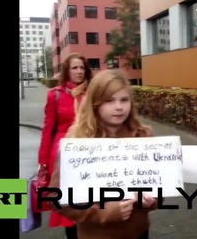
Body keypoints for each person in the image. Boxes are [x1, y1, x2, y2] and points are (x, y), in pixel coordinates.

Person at [47, 69, 157, 239]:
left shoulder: (143, 136)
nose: (119, 107)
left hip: (139, 233)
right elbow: (55, 198)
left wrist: (150, 201)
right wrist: (102, 213)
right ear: (95, 103)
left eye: (124, 100)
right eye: (109, 101)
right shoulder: (76, 143)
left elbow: (159, 185)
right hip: (96, 235)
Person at [37, 53, 93, 239]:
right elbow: (47, 129)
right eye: (74, 68)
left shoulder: (93, 93)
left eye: (82, 67)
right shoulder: (55, 95)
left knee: (89, 200)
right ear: (67, 71)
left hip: (89, 151)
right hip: (63, 155)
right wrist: (43, 162)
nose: (79, 71)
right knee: (68, 203)